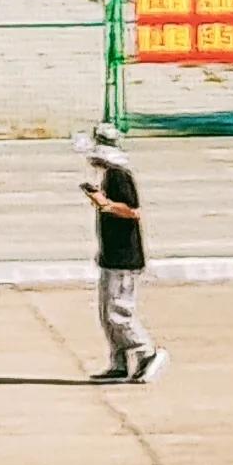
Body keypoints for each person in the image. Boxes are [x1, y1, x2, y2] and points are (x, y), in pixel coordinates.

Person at [83, 126, 164, 381]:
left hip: (124, 259)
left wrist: (105, 204)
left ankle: (146, 352)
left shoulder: (119, 176)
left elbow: (133, 210)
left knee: (119, 312)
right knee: (107, 314)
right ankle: (120, 362)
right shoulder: (109, 177)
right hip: (112, 256)